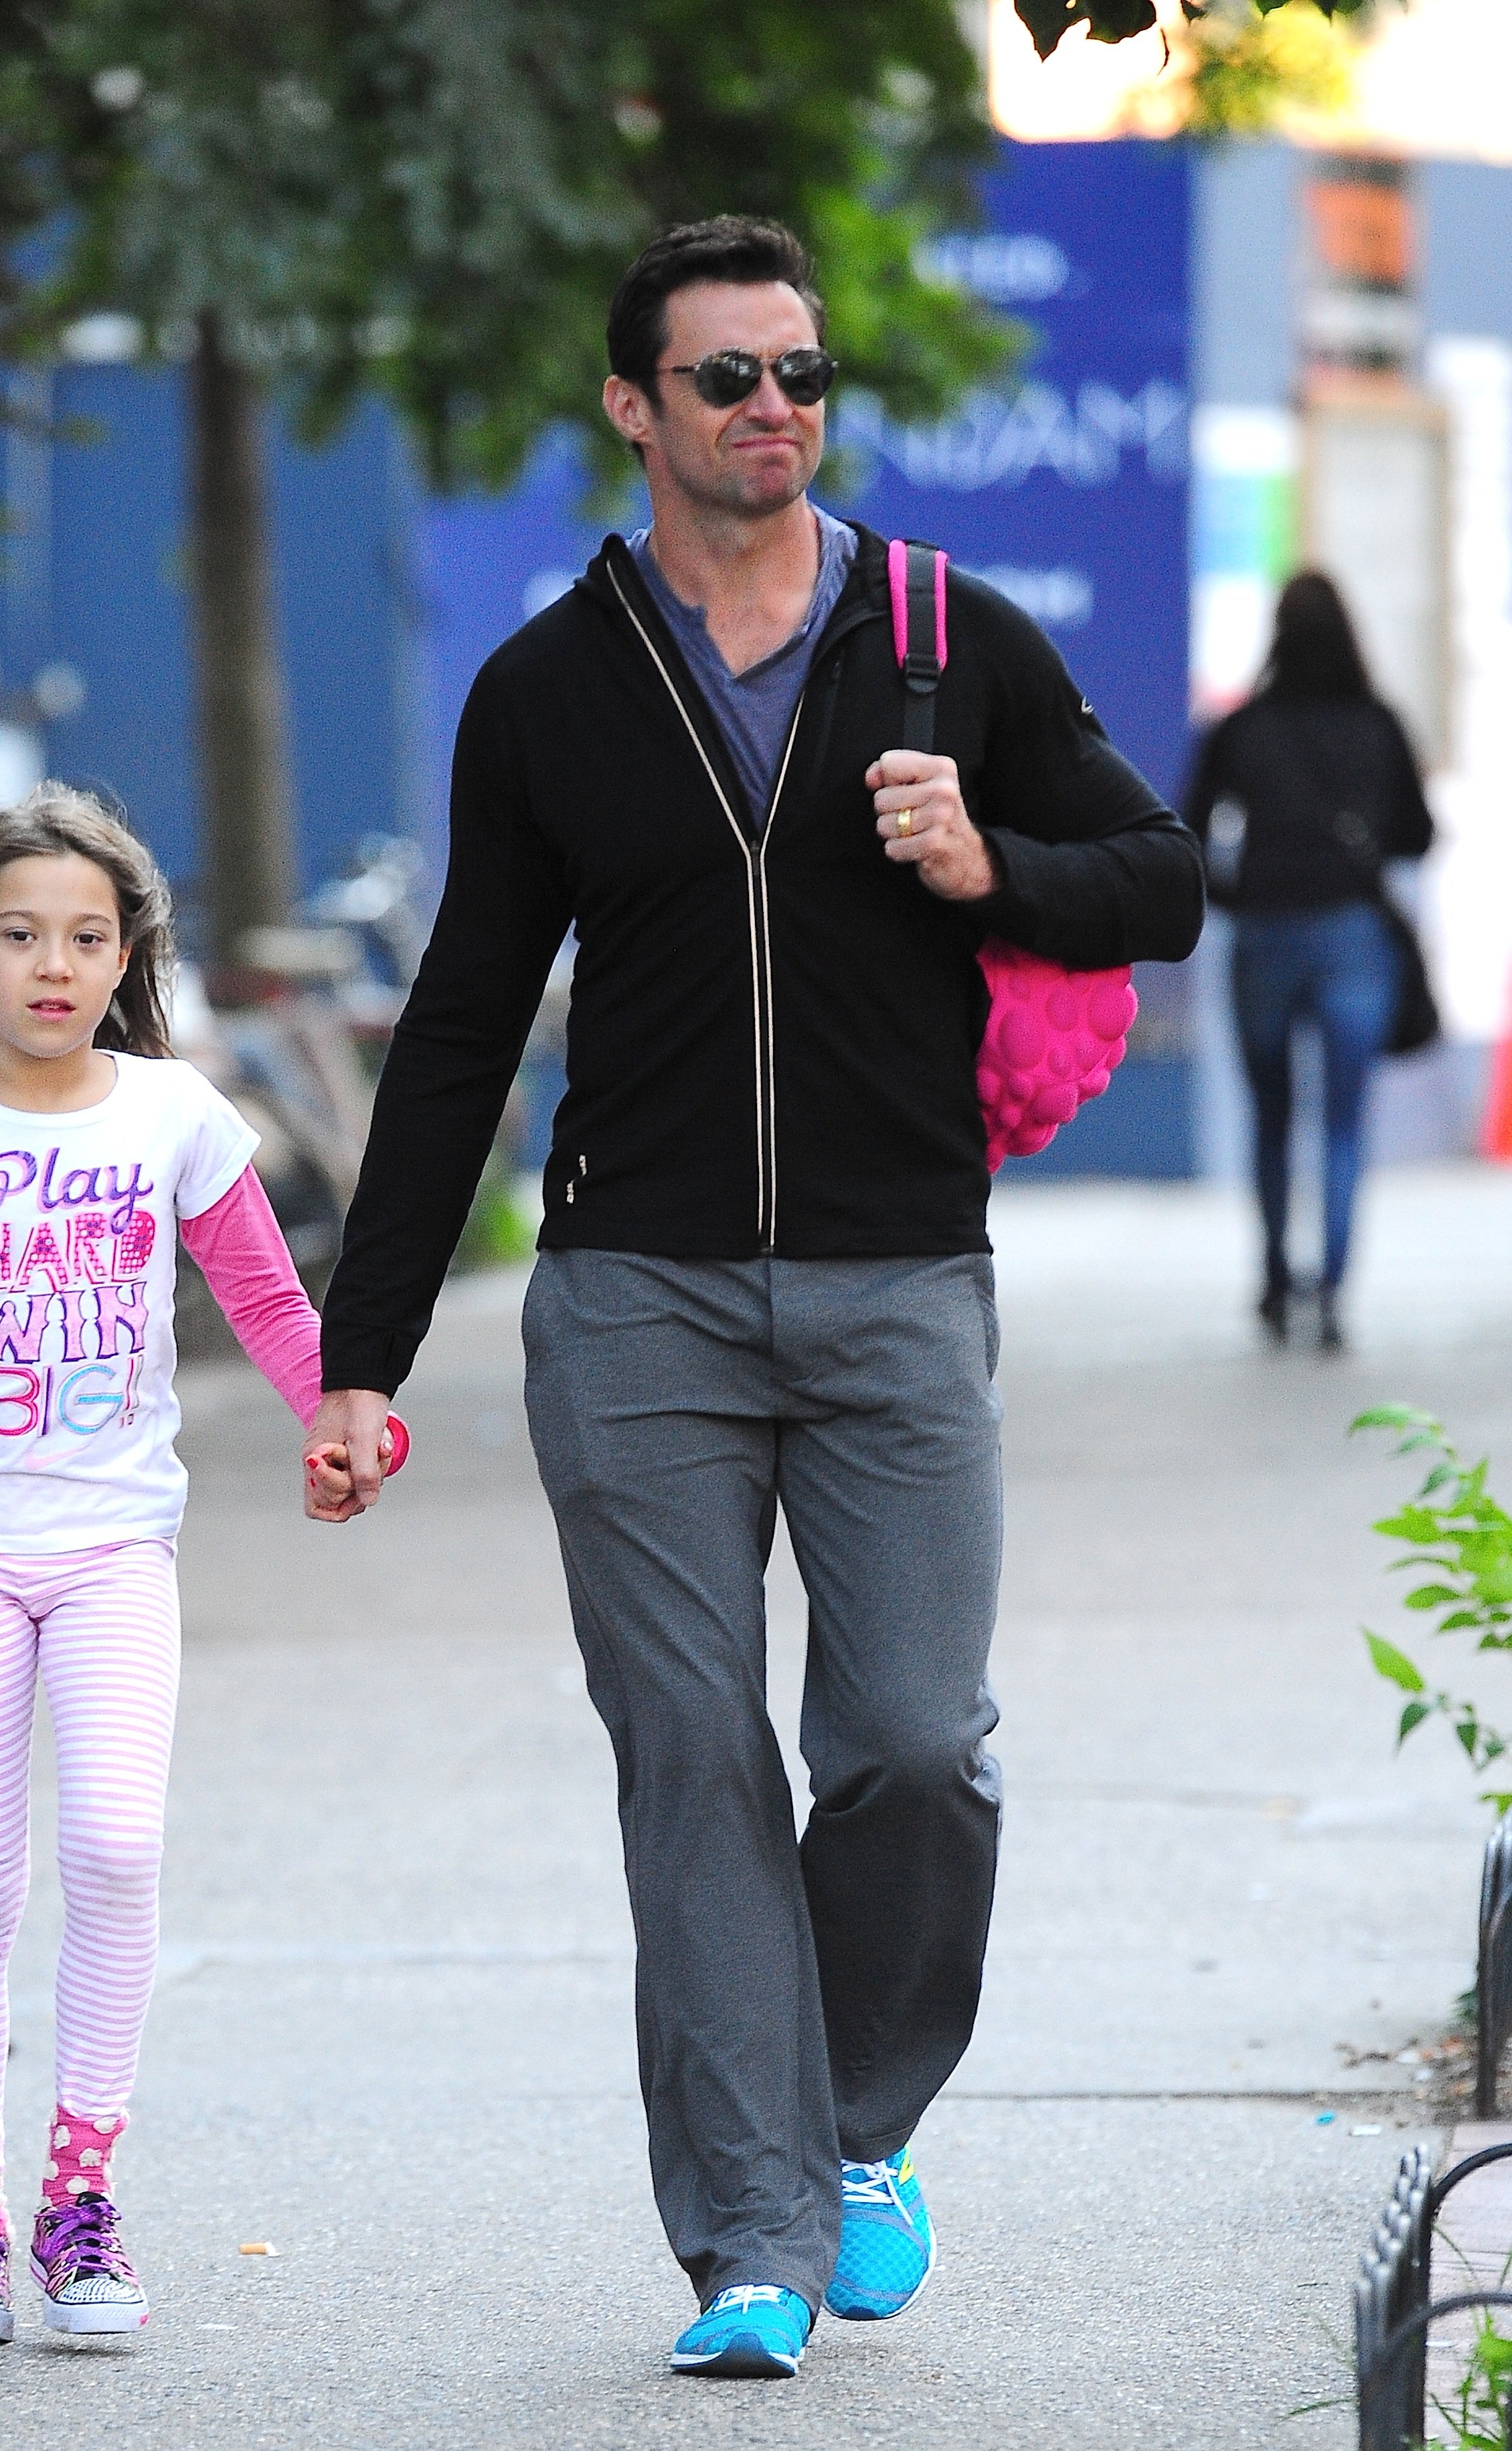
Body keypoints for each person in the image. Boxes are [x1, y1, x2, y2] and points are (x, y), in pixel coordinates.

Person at [309, 217, 1203, 2381]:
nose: (774, 410)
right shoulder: (550, 689)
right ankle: (750, 2242)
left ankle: (858, 2121)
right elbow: (458, 1023)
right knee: (690, 1752)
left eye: (802, 374)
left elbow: (1164, 882)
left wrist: (998, 862)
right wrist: (362, 1348)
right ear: (635, 407)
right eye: (727, 378)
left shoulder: (943, 639)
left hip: (902, 1286)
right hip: (636, 1299)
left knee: (913, 1745)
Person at [0, 787, 401, 2343]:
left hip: (119, 1543)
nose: (54, 964)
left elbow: (262, 1292)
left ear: (124, 956)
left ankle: (79, 2195)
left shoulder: (173, 1114)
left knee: (118, 1852)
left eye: (86, 936)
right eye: (19, 935)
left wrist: (336, 1415)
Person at [1183, 571, 1434, 1351]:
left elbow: (1189, 827)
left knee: (1272, 1116)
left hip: (1264, 933)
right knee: (1345, 1123)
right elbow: (1418, 834)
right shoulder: (1380, 724)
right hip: (1353, 933)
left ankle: (1271, 1275)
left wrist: (1232, 891)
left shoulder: (1245, 727)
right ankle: (1329, 1293)